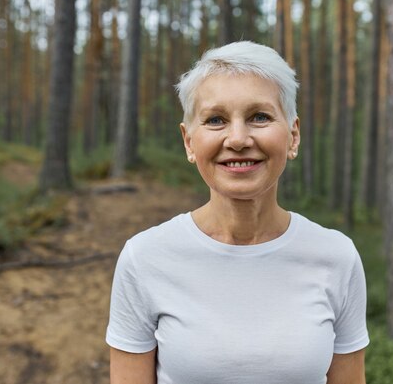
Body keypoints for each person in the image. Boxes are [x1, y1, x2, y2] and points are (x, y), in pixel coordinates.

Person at [106, 41, 369, 384]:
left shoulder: (337, 257)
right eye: (216, 120)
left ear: (293, 135)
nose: (238, 138)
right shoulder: (144, 258)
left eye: (259, 117)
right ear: (189, 142)